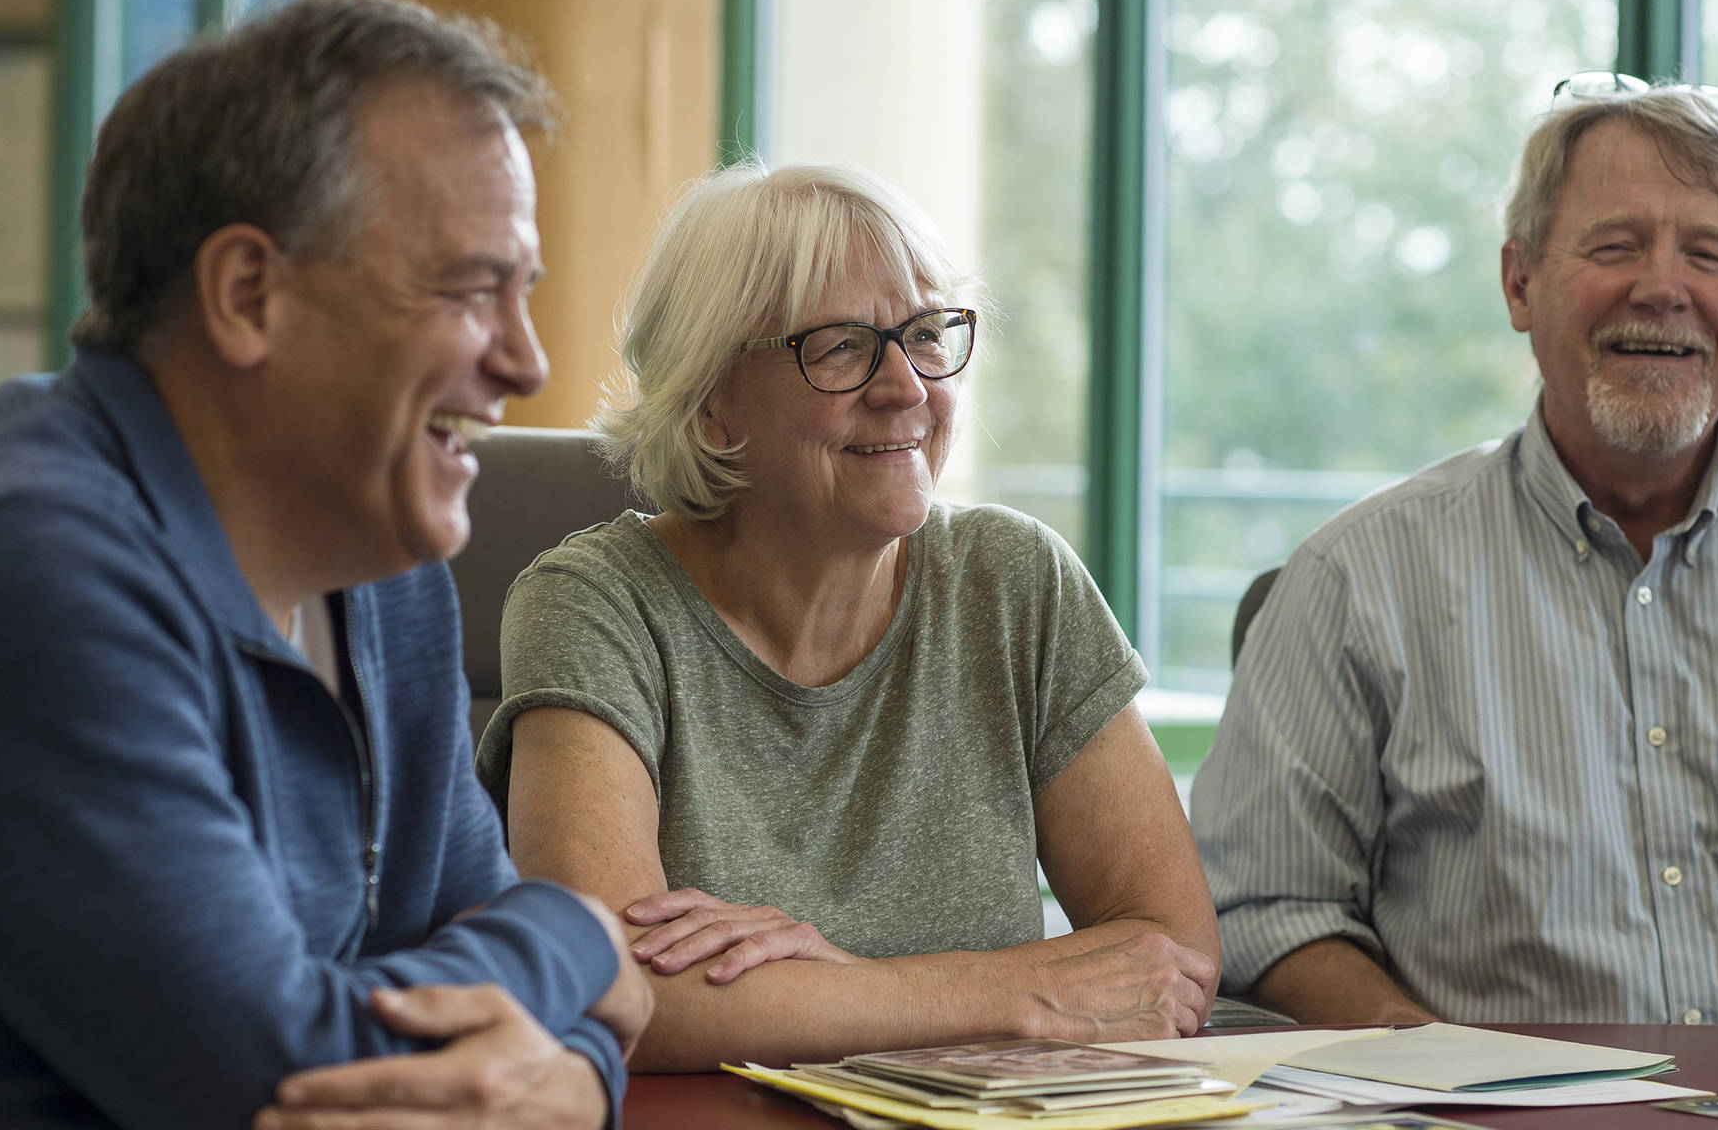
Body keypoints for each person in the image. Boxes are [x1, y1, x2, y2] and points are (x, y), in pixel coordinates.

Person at [1192, 73, 1718, 1034]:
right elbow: (1262, 903)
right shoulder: (1356, 578)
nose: (1663, 288)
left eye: (1709, 255)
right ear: (1520, 282)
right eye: (1615, 246)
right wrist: (1439, 1072)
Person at [0, 0, 651, 1128]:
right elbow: (276, 1073)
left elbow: (531, 994)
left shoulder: (384, 567)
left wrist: (578, 1086)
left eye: (523, 291)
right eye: (468, 286)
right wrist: (582, 932)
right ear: (250, 294)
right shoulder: (37, 558)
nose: (524, 360)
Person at [476, 161, 1219, 1072]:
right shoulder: (595, 602)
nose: (907, 387)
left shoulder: (1015, 581)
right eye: (839, 348)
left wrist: (834, 983)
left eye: (925, 334)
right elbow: (607, 988)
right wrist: (1006, 993)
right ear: (712, 405)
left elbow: (1173, 957)